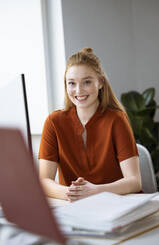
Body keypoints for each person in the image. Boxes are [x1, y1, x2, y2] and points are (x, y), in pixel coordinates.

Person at [38, 47, 142, 202]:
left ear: (100, 82)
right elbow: (44, 181)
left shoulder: (117, 119)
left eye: (86, 82)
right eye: (71, 83)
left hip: (117, 204)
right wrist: (71, 192)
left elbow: (134, 181)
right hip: (75, 207)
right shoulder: (53, 122)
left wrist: (96, 191)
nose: (78, 90)